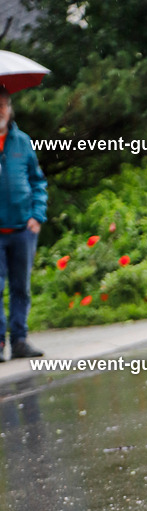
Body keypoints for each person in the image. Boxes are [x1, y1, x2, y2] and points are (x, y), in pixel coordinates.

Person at [0, 86, 47, 360]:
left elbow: (38, 181)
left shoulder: (23, 142)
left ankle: (19, 340)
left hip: (22, 229)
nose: (0, 111)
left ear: (10, 109)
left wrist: (37, 216)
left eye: (3, 105)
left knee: (21, 288)